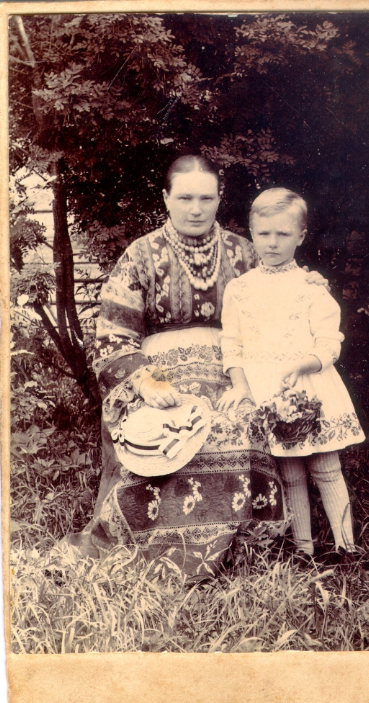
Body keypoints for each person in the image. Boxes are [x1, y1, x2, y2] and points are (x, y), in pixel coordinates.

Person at [68, 157, 327, 578]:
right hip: (158, 373)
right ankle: (155, 546)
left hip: (235, 369)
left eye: (206, 198)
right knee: (171, 432)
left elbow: (287, 296)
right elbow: (112, 335)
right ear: (166, 199)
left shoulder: (246, 252)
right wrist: (144, 382)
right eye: (185, 198)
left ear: (220, 199)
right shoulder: (140, 255)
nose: (195, 209)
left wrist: (310, 286)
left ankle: (247, 549)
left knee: (238, 423)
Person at [219, 188, 365, 558]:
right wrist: (240, 384)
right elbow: (231, 342)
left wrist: (303, 363)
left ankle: (347, 548)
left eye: (283, 234)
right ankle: (304, 549)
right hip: (268, 392)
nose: (272, 243)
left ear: (300, 236)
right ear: (252, 233)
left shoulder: (311, 287)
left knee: (325, 466)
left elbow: (329, 344)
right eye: (264, 233)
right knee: (290, 473)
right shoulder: (239, 289)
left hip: (310, 387)